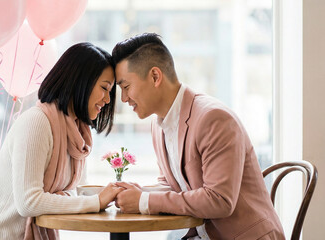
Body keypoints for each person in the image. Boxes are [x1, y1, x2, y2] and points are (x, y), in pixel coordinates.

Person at [112, 33, 285, 240]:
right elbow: (172, 186)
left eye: (126, 87)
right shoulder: (158, 125)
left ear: (155, 76)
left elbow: (219, 200)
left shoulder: (213, 119)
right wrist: (139, 192)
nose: (123, 98)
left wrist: (144, 201)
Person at [0, 42, 124, 240]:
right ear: (81, 81)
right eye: (104, 88)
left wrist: (113, 194)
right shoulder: (37, 122)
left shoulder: (77, 133)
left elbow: (76, 190)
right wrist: (96, 201)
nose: (107, 99)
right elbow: (29, 202)